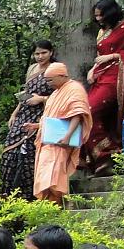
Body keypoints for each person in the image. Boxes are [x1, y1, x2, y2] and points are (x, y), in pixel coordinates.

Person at [86, 0, 124, 170]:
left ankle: (109, 152)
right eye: (96, 16)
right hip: (101, 76)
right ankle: (101, 158)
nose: (98, 19)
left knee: (92, 110)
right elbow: (99, 54)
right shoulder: (102, 32)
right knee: (84, 112)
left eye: (100, 15)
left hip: (116, 76)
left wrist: (113, 56)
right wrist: (92, 69)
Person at [0, 41, 57, 199]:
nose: (40, 57)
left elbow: (61, 95)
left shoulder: (55, 69)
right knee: (9, 153)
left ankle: (31, 196)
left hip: (42, 114)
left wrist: (41, 99)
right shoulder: (32, 69)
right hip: (24, 112)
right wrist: (14, 113)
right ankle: (9, 194)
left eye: (43, 53)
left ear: (51, 52)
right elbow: (26, 92)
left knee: (30, 153)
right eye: (37, 54)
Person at [34, 63, 92, 205]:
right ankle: (50, 205)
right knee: (44, 176)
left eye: (50, 80)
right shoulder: (55, 93)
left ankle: (60, 203)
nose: (48, 84)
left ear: (62, 76)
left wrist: (67, 136)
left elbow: (77, 114)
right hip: (47, 142)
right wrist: (35, 126)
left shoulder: (75, 89)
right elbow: (51, 118)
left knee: (54, 177)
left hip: (61, 142)